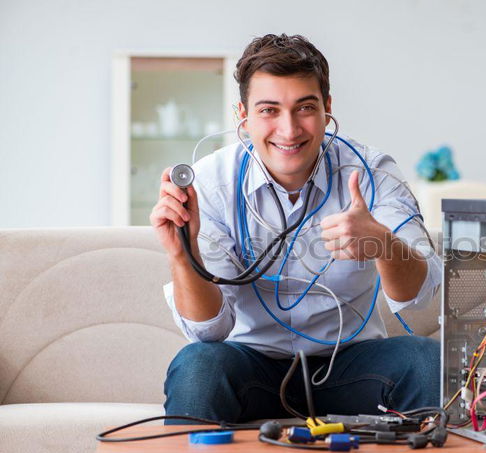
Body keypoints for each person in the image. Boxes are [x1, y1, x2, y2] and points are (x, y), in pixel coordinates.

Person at [150, 34, 441, 424]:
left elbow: (418, 295)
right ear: (243, 115)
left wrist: (381, 243)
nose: (289, 131)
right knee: (199, 364)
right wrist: (183, 255)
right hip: (252, 365)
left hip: (351, 365)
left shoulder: (371, 172)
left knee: (425, 361)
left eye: (305, 108)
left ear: (327, 108)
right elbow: (209, 330)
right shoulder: (209, 183)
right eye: (269, 110)